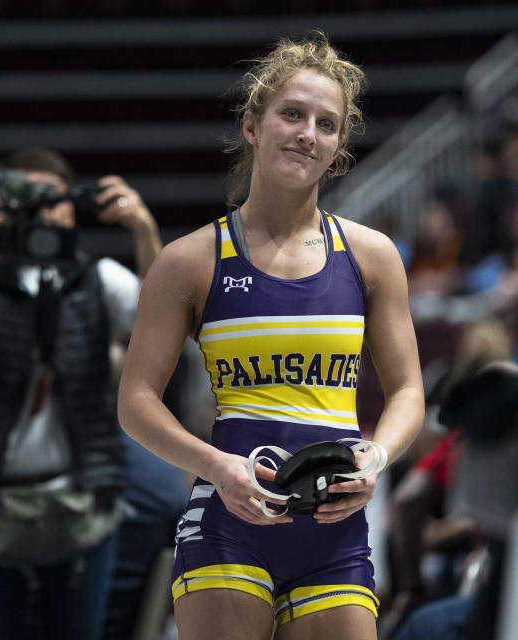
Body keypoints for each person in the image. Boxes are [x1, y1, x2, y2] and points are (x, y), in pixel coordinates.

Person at [117, 34, 424, 640]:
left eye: (326, 123)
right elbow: (135, 402)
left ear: (337, 148)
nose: (308, 132)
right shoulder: (190, 260)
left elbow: (410, 389)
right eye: (292, 113)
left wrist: (378, 456)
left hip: (335, 527)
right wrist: (214, 466)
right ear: (253, 125)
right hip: (229, 519)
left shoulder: (372, 256)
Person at [0, 146, 161, 640]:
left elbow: (161, 324)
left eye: (51, 199)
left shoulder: (96, 278)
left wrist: (143, 230)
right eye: (25, 198)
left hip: (79, 500)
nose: (41, 212)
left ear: (70, 205)